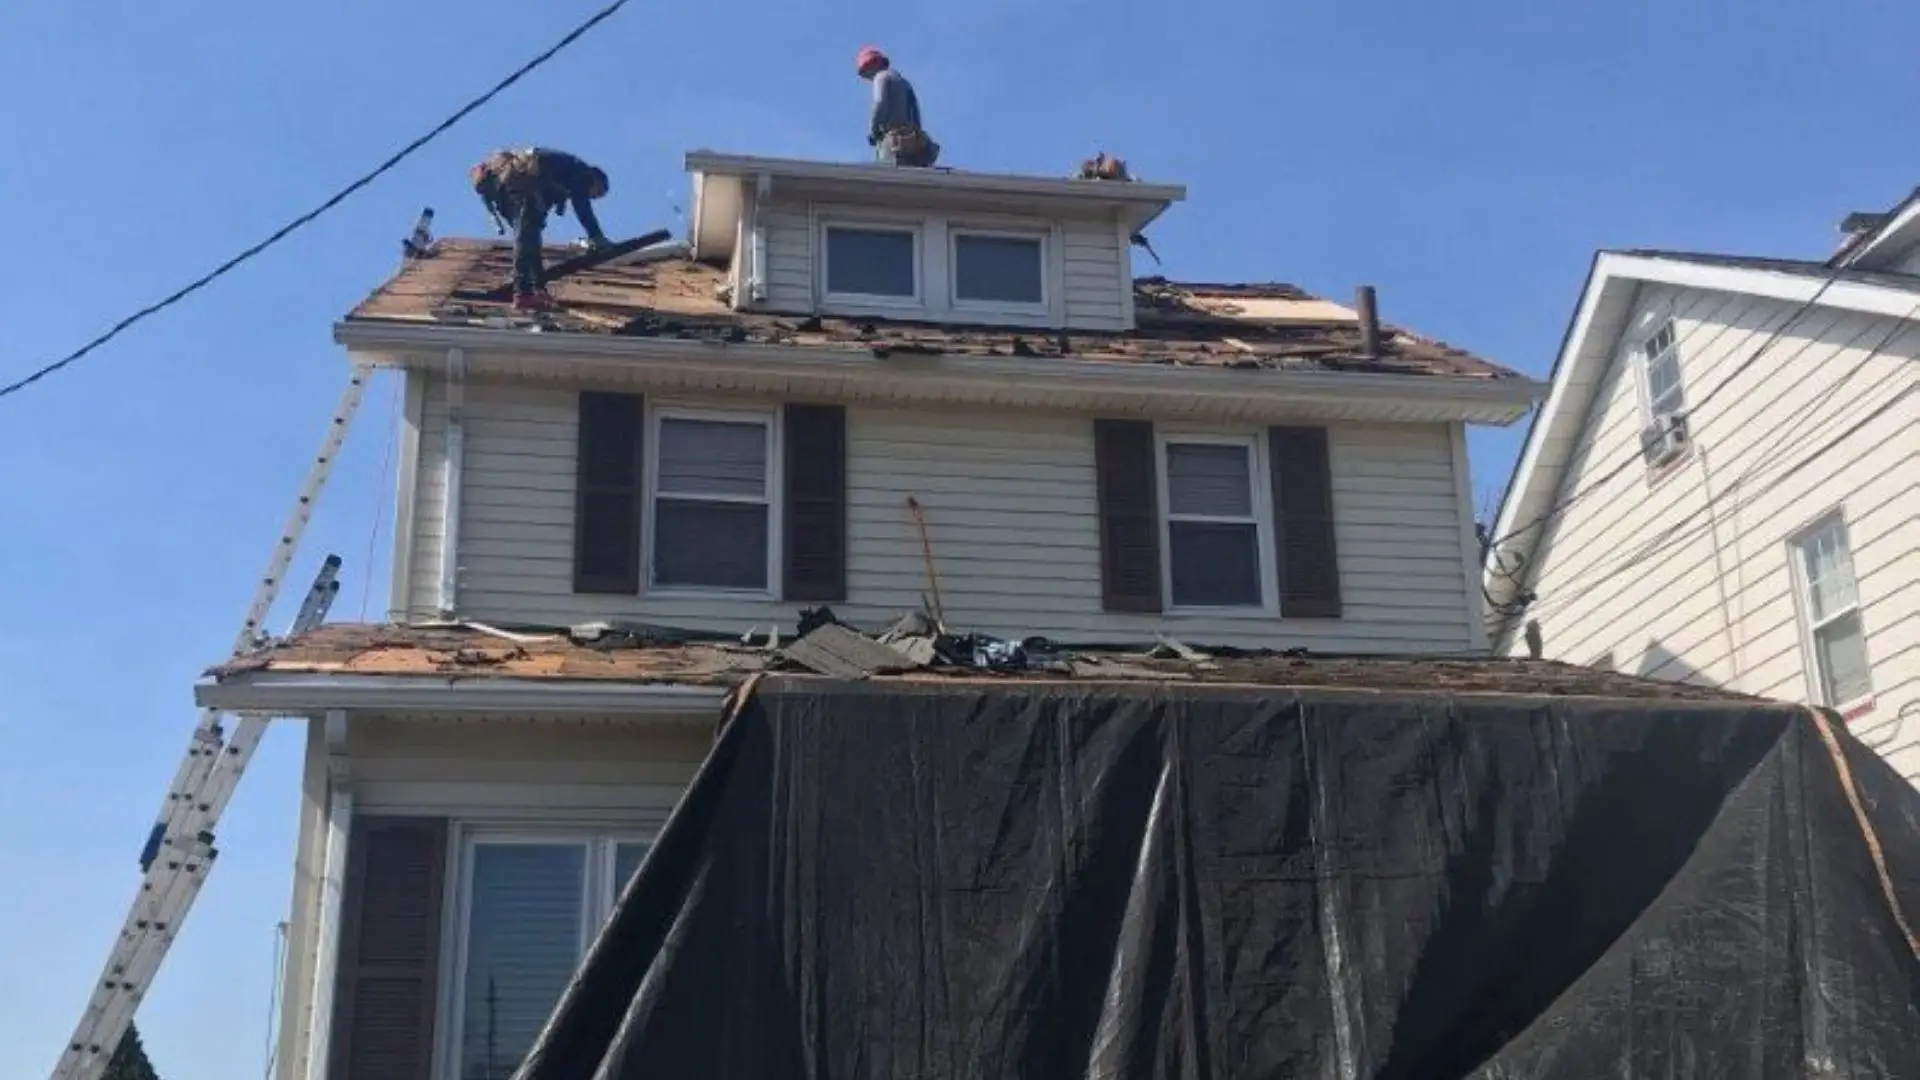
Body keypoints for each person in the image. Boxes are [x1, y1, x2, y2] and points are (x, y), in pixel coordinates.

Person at [470, 148, 612, 310]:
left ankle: (537, 288)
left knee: (531, 238)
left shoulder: (563, 175)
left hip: (503, 187)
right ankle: (522, 292)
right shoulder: (581, 172)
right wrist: (597, 237)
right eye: (597, 192)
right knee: (526, 237)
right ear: (595, 179)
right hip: (518, 185)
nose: (592, 197)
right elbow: (582, 208)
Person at [856, 47, 939, 168]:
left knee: (888, 177)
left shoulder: (881, 77)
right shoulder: (903, 82)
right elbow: (916, 116)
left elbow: (879, 103)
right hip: (915, 141)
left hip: (894, 142)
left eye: (865, 71)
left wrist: (873, 130)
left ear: (872, 64)